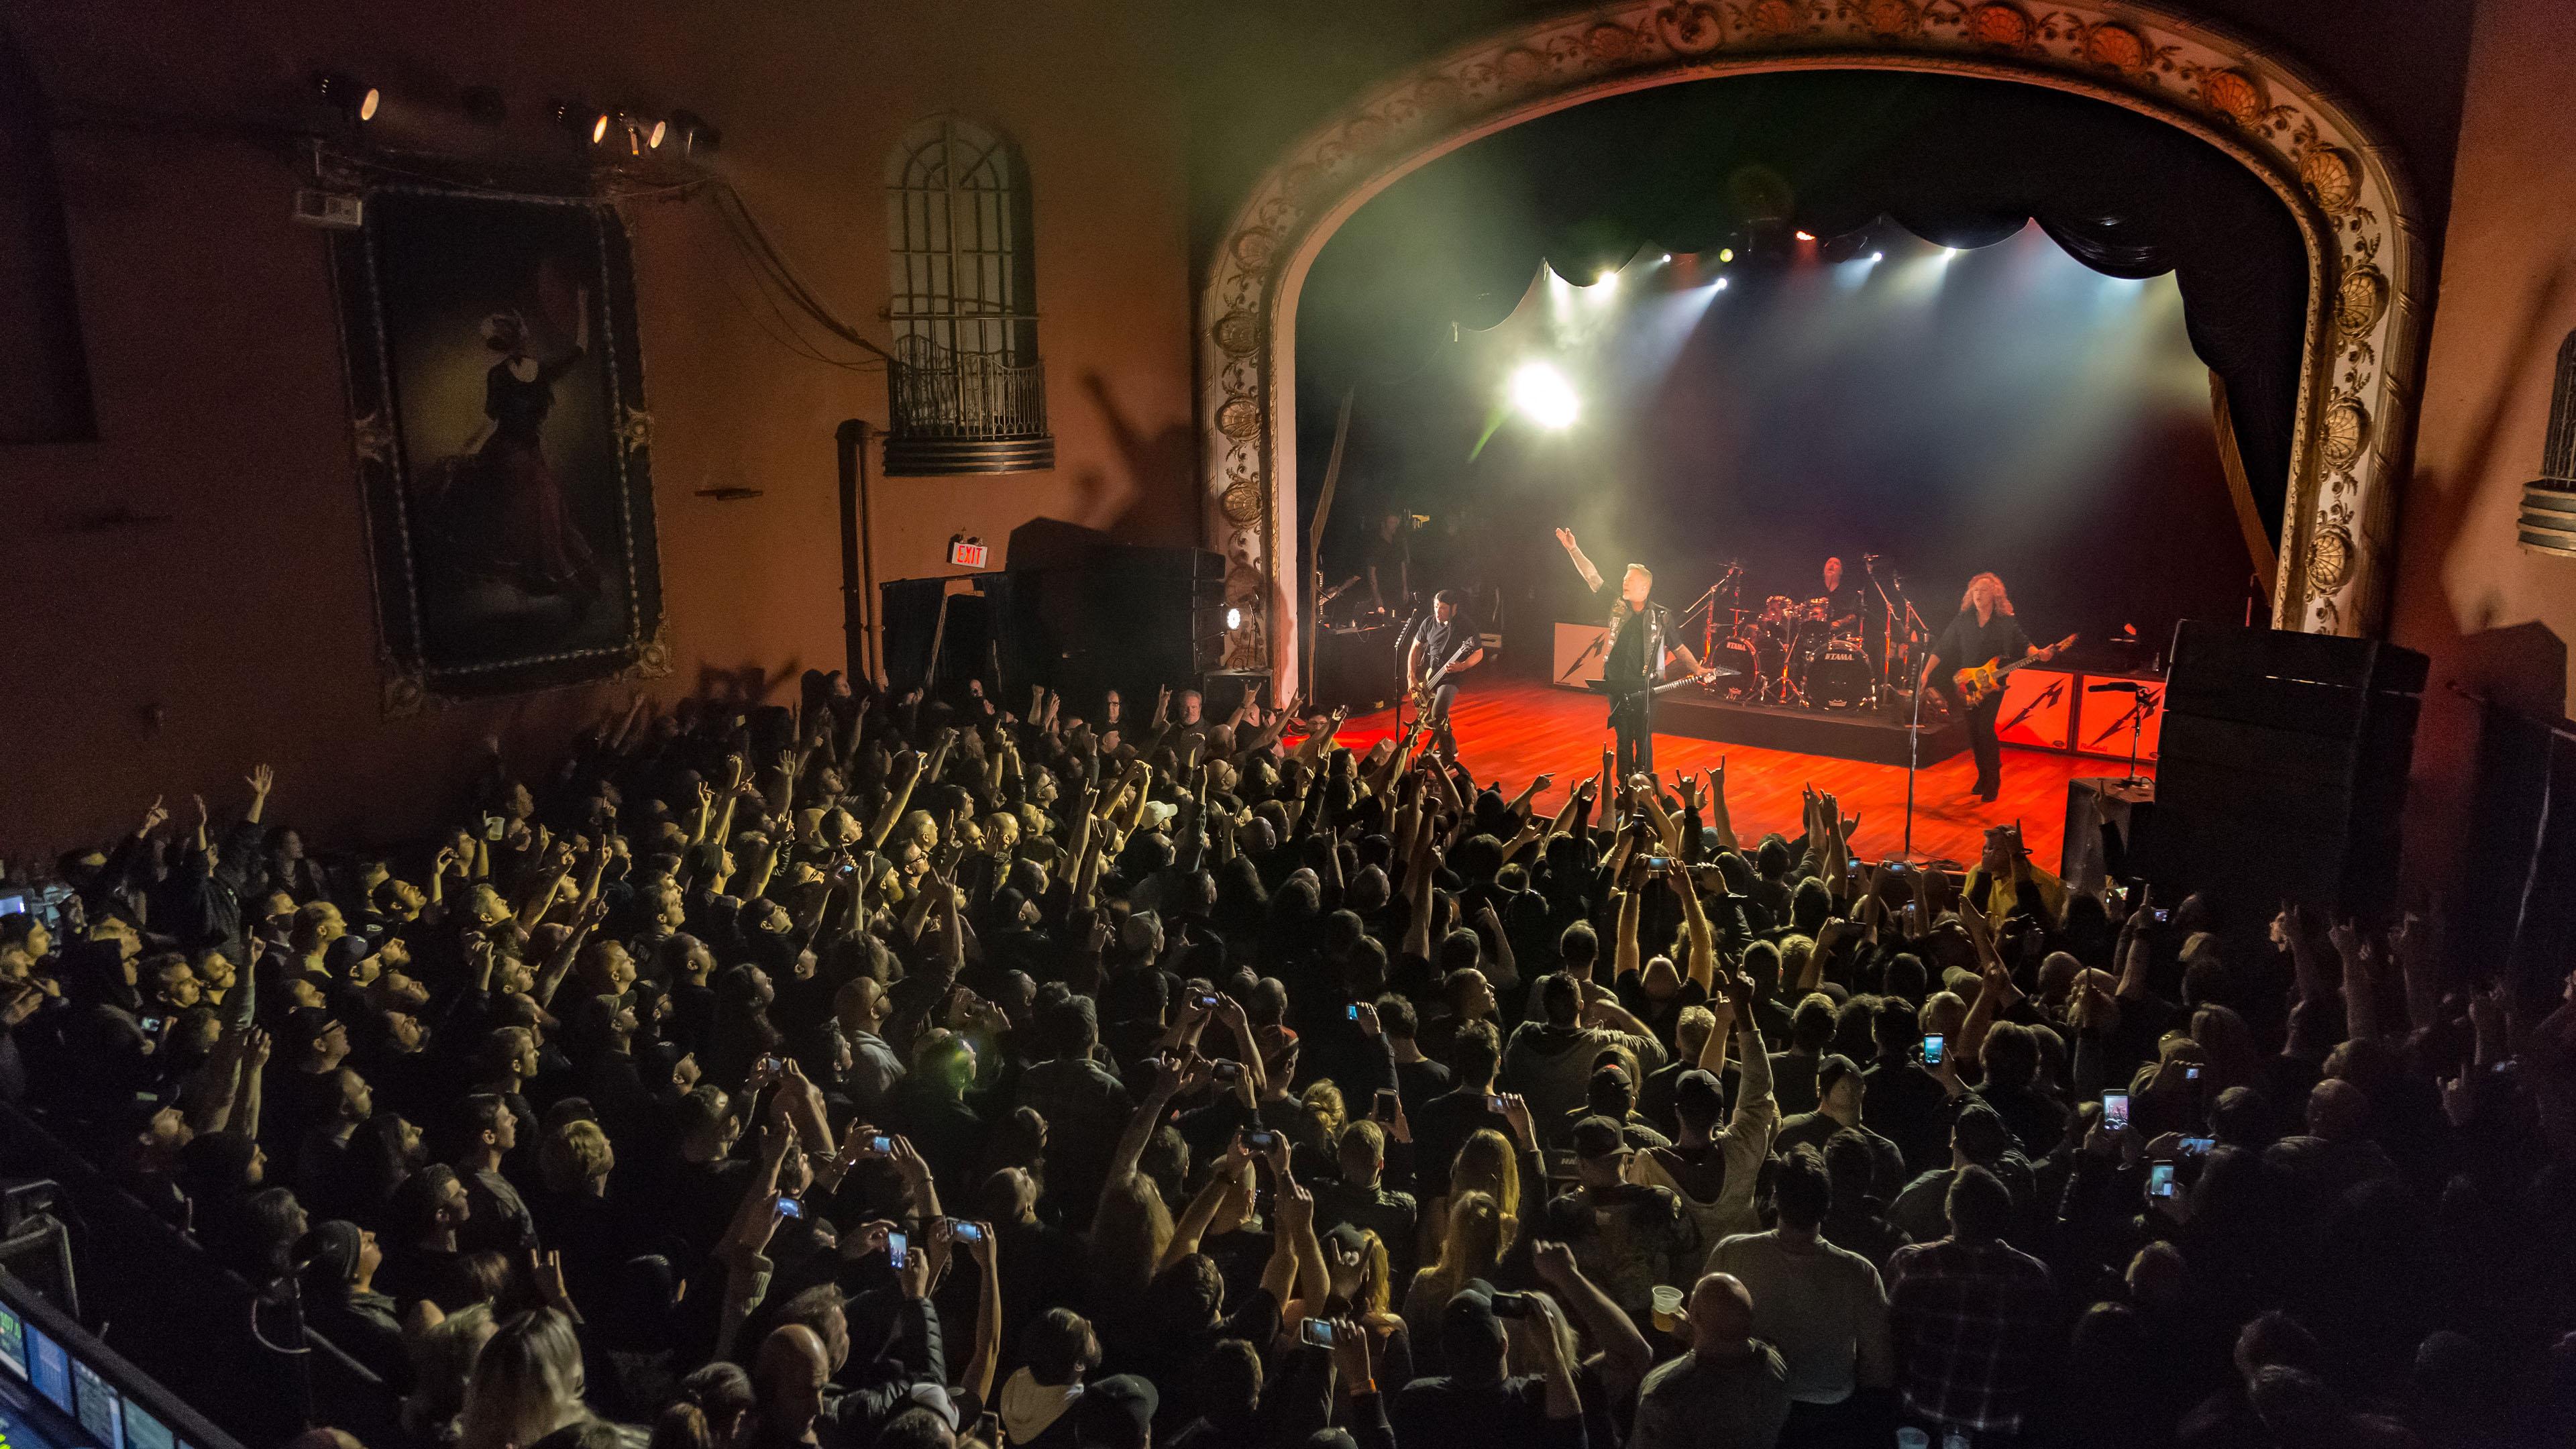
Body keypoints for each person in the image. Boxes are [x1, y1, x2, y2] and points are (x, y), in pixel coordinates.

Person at [1703, 1146, 1892, 1446]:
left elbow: (1702, 1334)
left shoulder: (1731, 1253)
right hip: (1828, 1419)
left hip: (1747, 1406)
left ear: (1775, 1199)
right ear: (1827, 1204)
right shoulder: (1860, 1274)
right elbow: (1878, 1369)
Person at [1885, 1166, 2055, 1441]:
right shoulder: (2034, 1277)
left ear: (1950, 1213)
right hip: (1998, 1427)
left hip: (1920, 1418)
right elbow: (2043, 1359)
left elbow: (1887, 1339)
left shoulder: (1912, 1264)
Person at [1555, 528, 1704, 778]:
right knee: (1623, 738)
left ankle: (1644, 787)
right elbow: (1592, 576)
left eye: (1630, 580)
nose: (1624, 582)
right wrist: (1573, 549)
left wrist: (1698, 669)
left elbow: (1678, 647)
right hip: (1617, 684)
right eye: (1624, 578)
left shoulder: (1661, 615)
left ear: (1645, 587)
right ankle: (1624, 788)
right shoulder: (1616, 605)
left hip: (1647, 687)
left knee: (1643, 737)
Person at [1388, 1285, 1586, 1449]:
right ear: (1504, 1345)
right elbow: (1572, 1438)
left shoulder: (1417, 1402)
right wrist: (1553, 1352)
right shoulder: (1535, 1401)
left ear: (1444, 1350)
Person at [1917, 572, 2058, 803]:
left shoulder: (2006, 622)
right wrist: (1926, 672)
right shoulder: (1963, 620)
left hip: (1994, 685)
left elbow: (2024, 644)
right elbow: (1943, 646)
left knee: (1985, 729)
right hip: (1967, 683)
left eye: (1983, 590)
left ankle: (1993, 780)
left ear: (1994, 594)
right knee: (1973, 733)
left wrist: (2039, 654)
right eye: (1974, 591)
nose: (1978, 595)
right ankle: (1983, 776)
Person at [1627, 1273, 1792, 1449]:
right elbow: (1728, 1349)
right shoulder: (1775, 1364)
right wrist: (1692, 1334)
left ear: (1693, 1316)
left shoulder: (1664, 1390)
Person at [1407, 589, 1485, 757]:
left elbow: (1479, 653)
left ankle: (1449, 752)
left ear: (1454, 608)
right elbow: (1415, 648)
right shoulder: (1428, 623)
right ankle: (1445, 747)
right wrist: (1411, 676)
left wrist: (1462, 665)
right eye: (1436, 606)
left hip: (1452, 676)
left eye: (1443, 608)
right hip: (1432, 675)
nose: (1438, 611)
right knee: (1431, 718)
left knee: (1438, 712)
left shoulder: (1465, 625)